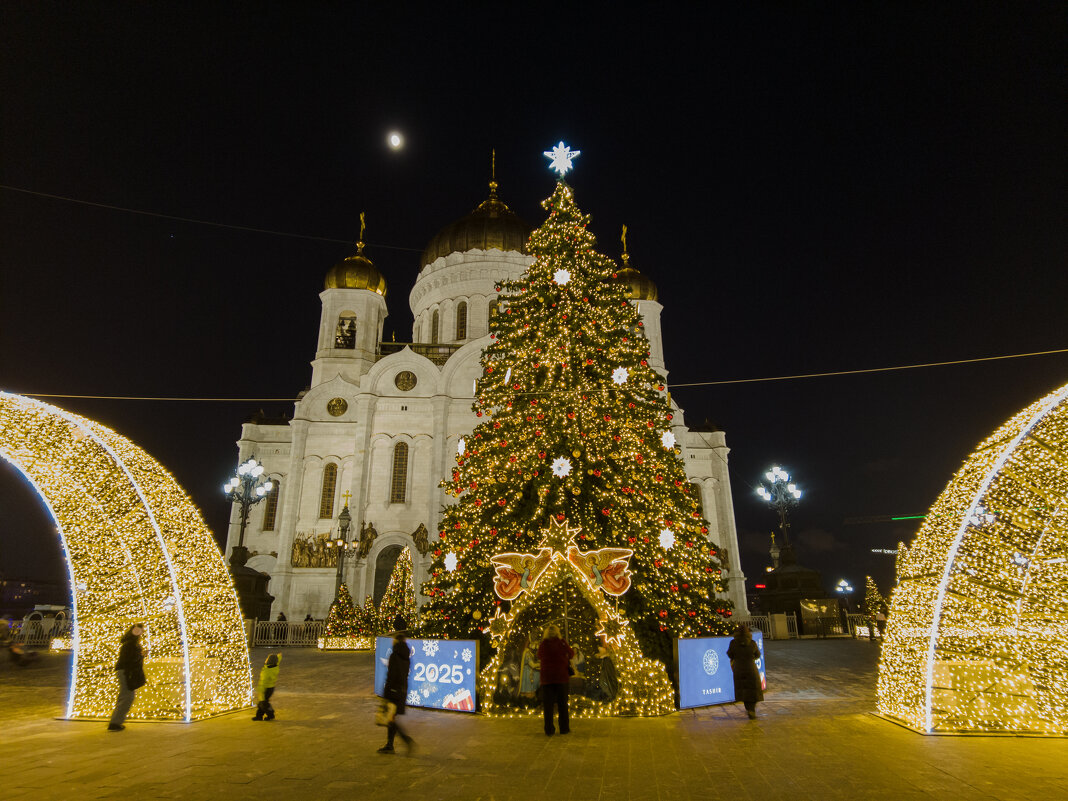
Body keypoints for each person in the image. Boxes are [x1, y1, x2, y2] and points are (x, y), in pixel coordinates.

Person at [378, 632, 415, 754]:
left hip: (393, 691)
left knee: (391, 719)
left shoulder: (395, 655)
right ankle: (390, 745)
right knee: (391, 718)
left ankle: (405, 740)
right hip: (401, 690)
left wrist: (386, 692)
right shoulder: (406, 656)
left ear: (396, 641)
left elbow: (392, 675)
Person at [537, 624, 573, 736]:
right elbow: (571, 654)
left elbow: (539, 655)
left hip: (547, 678)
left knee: (548, 706)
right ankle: (564, 728)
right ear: (557, 633)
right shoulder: (562, 643)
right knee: (562, 704)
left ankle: (549, 729)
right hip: (561, 677)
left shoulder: (543, 644)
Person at [108, 623, 146, 731]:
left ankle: (116, 721)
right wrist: (141, 655)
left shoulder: (130, 643)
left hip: (124, 670)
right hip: (126, 671)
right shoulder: (131, 644)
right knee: (127, 697)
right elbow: (129, 659)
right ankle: (115, 723)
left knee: (125, 696)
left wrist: (140, 655)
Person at [726, 623, 763, 719]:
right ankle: (751, 709)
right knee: (752, 689)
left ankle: (749, 709)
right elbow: (757, 654)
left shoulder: (733, 643)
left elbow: (730, 654)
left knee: (744, 690)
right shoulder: (752, 643)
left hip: (738, 669)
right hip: (751, 668)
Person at [252, 653, 281, 720]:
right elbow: (278, 660)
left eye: (267, 659)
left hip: (265, 689)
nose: (266, 659)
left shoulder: (267, 671)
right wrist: (279, 656)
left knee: (263, 704)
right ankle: (259, 716)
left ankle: (271, 715)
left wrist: (260, 690)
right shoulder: (275, 667)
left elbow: (263, 682)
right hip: (271, 688)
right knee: (261, 703)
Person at [518, 633, 540, 702]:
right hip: (527, 673)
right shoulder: (527, 653)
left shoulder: (530, 653)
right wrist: (540, 664)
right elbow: (532, 665)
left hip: (530, 671)